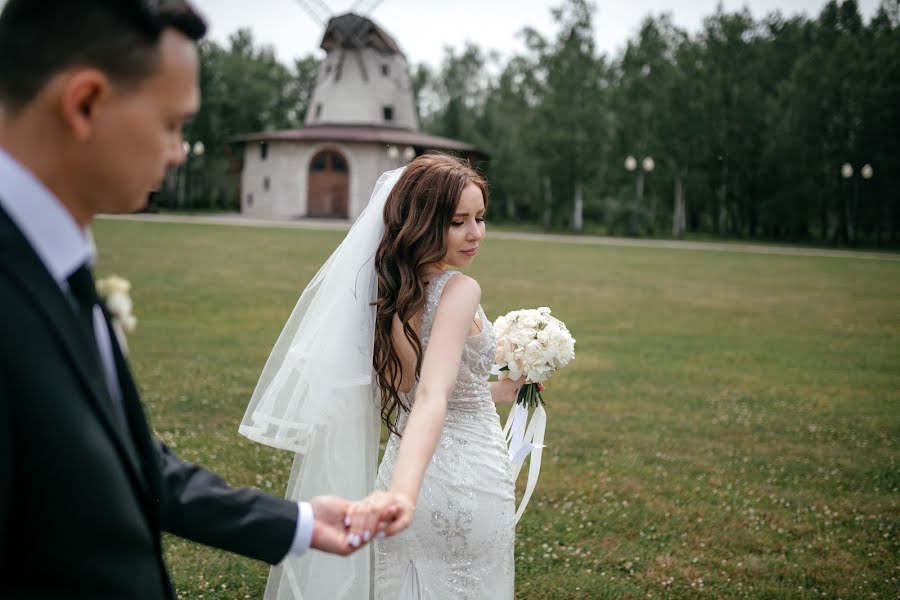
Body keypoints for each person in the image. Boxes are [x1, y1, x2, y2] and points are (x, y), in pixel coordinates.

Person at [0, 2, 391, 598]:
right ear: (84, 104)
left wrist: (300, 522)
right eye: (171, 124)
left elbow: (129, 461)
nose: (181, 150)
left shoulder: (56, 261)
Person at [242, 154, 524, 599]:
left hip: (400, 468)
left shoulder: (389, 293)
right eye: (458, 222)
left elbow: (418, 390)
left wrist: (500, 390)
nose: (476, 234)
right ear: (425, 223)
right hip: (463, 479)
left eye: (480, 218)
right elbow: (432, 395)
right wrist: (404, 498)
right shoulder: (459, 289)